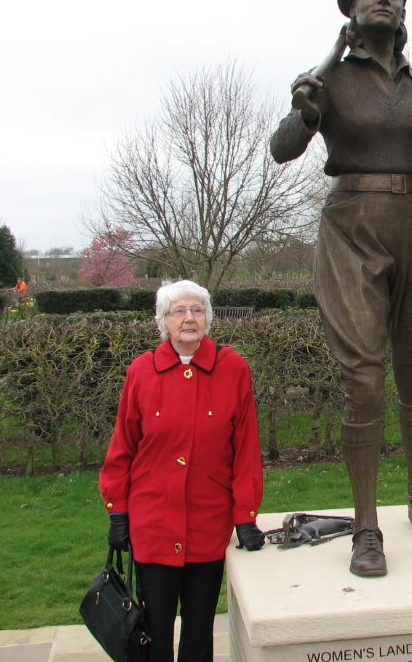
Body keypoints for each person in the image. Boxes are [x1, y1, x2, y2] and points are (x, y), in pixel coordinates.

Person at [270, 0, 412, 577]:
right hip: (352, 224)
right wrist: (304, 107)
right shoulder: (328, 81)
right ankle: (365, 526)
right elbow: (282, 148)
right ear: (351, 7)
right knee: (364, 377)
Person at [100, 279, 264, 661]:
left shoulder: (233, 368)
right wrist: (117, 511)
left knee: (199, 627)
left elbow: (245, 451)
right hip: (153, 522)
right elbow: (122, 447)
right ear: (164, 322)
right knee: (154, 629)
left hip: (207, 521)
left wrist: (246, 515)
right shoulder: (141, 372)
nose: (189, 318)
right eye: (179, 311)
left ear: (208, 319)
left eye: (197, 310)